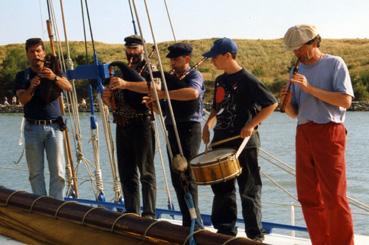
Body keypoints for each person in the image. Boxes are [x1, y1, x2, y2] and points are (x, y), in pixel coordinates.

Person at [280, 25, 354, 245]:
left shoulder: (334, 63)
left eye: (299, 48)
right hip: (303, 131)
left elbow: (345, 101)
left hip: (329, 131)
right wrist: (285, 104)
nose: (296, 53)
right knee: (307, 196)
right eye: (293, 50)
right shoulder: (295, 70)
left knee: (334, 195)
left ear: (314, 42)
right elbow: (295, 113)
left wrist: (310, 88)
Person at [202, 38, 278, 241]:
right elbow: (217, 108)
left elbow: (271, 104)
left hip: (244, 142)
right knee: (222, 189)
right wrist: (208, 125)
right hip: (222, 141)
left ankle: (255, 235)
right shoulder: (220, 80)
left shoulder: (248, 79)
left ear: (228, 55)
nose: (212, 61)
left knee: (249, 188)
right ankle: (225, 231)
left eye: (215, 57)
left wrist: (251, 125)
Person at [145, 43, 205, 227]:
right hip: (172, 126)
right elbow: (163, 109)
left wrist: (162, 94)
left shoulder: (195, 75)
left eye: (176, 59)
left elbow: (192, 93)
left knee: (187, 174)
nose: (173, 62)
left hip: (189, 128)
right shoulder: (169, 78)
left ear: (187, 59)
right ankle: (187, 220)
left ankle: (196, 220)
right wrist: (153, 103)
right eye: (171, 59)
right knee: (176, 176)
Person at [102, 34, 156, 219]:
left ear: (142, 48)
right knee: (126, 172)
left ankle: (148, 213)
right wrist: (107, 99)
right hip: (122, 124)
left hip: (142, 123)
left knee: (146, 172)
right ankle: (132, 211)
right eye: (129, 48)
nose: (132, 52)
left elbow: (153, 87)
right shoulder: (118, 71)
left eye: (135, 48)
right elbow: (115, 101)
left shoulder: (150, 68)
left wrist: (126, 84)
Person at [14, 38, 72, 200]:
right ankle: (41, 207)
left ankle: (56, 207)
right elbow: (23, 100)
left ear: (44, 53)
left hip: (54, 127)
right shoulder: (22, 76)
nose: (36, 55)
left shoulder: (54, 70)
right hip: (32, 128)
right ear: (27, 54)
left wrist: (54, 77)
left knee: (59, 172)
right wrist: (31, 85)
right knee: (35, 173)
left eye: (38, 51)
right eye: (32, 52)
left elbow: (68, 87)